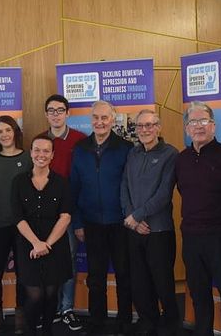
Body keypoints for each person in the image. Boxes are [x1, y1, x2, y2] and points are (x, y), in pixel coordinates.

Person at [175, 101, 221, 336]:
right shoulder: (181, 159)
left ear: (213, 126)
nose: (198, 126)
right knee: (199, 294)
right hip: (192, 237)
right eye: (193, 122)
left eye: (204, 121)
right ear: (187, 128)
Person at [70, 100, 134, 335]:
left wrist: (130, 216)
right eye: (96, 117)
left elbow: (132, 186)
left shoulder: (126, 148)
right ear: (91, 120)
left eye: (104, 118)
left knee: (124, 275)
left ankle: (125, 321)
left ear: (113, 119)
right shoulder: (80, 148)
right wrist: (77, 222)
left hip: (120, 223)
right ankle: (97, 323)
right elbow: (73, 188)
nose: (100, 122)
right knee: (95, 279)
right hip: (91, 223)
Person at [120, 109, 179, 336]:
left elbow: (164, 194)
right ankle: (147, 321)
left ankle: (170, 323)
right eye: (140, 126)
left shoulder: (170, 154)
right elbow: (124, 186)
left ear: (158, 127)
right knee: (140, 281)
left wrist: (138, 216)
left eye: (149, 125)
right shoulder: (133, 154)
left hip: (159, 230)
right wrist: (132, 219)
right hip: (134, 228)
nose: (144, 130)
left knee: (162, 281)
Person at [12, 135, 74, 336]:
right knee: (35, 295)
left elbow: (65, 217)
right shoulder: (19, 181)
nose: (41, 155)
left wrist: (46, 244)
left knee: (50, 293)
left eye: (46, 151)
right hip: (28, 245)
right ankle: (31, 330)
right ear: (31, 153)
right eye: (37, 150)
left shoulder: (62, 183)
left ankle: (47, 330)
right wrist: (36, 243)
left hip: (54, 245)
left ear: (53, 155)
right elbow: (18, 217)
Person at [0, 115, 33, 334]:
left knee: (24, 273)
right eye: (0, 131)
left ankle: (21, 315)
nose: (4, 134)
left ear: (15, 132)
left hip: (23, 227)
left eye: (8, 130)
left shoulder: (27, 158)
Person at [41, 94, 86, 331]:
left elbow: (83, 181)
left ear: (68, 113)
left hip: (70, 212)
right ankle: (52, 308)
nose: (56, 114)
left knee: (68, 260)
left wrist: (77, 218)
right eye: (51, 110)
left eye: (60, 110)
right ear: (46, 114)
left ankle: (67, 307)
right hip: (44, 214)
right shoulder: (40, 140)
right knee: (48, 258)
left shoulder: (80, 140)